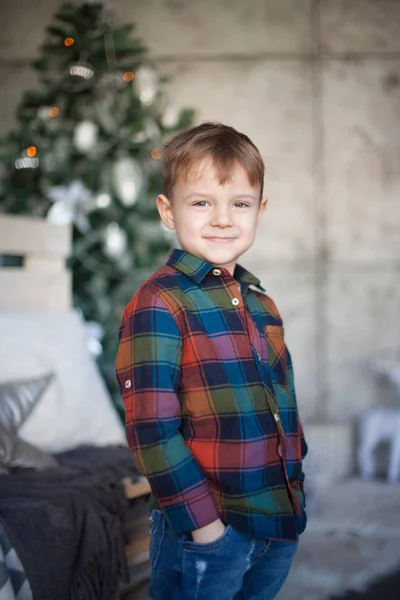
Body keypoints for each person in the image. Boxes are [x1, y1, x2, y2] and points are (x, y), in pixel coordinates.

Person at [116, 122, 308, 600]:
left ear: (260, 210)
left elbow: (282, 409)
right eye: (201, 202)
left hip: (276, 521)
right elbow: (151, 430)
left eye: (239, 204)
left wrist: (297, 494)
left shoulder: (260, 302)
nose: (223, 219)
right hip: (207, 530)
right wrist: (205, 527)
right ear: (168, 210)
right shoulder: (158, 302)